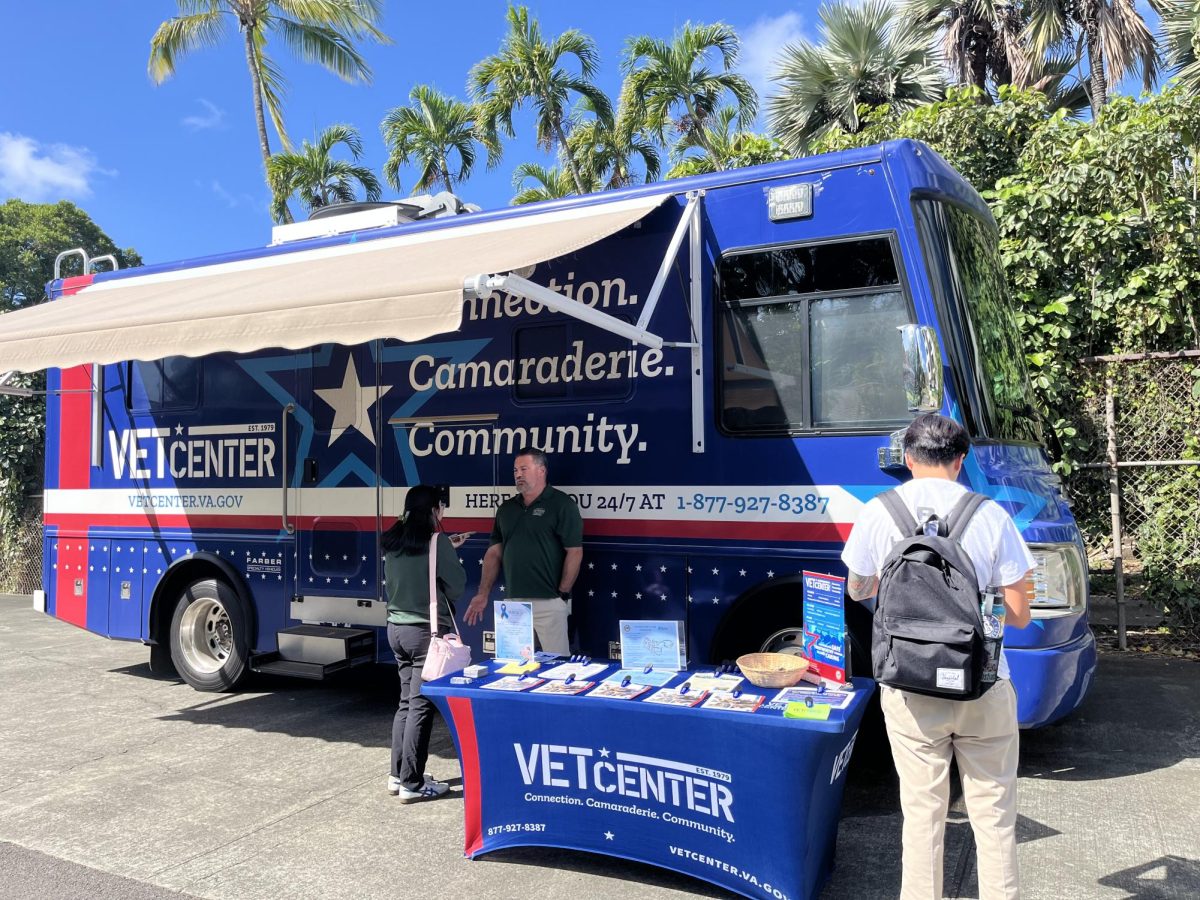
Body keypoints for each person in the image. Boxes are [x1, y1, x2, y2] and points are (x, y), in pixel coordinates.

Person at [841, 414, 1033, 900]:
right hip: (983, 684)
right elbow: (1020, 615)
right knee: (993, 813)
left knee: (923, 813)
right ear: (961, 460)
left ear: (907, 458)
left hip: (908, 686)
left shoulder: (878, 511)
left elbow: (859, 588)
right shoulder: (990, 515)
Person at [382, 484, 467, 803]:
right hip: (425, 636)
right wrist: (448, 552)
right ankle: (413, 783)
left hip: (396, 630)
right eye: (441, 508)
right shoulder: (437, 542)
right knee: (421, 707)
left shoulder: (393, 541)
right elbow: (456, 587)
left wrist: (445, 549)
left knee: (406, 702)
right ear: (434, 511)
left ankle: (398, 774)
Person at [464, 448, 583, 656]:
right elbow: (494, 553)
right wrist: (482, 594)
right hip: (513, 604)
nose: (518, 474)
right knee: (513, 669)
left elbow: (574, 552)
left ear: (541, 470)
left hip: (549, 603)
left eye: (524, 469)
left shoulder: (562, 505)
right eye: (515, 470)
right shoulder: (506, 509)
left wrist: (562, 594)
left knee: (557, 669)